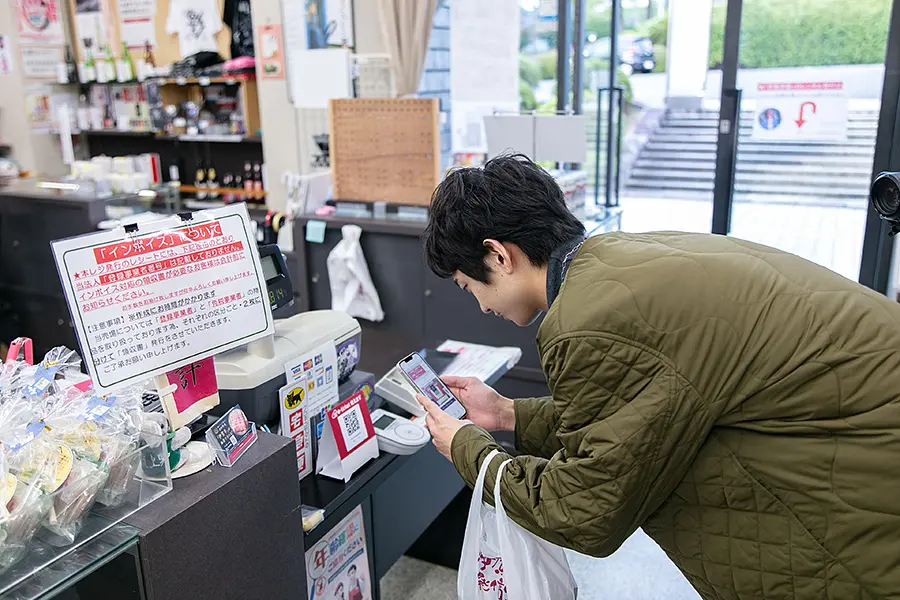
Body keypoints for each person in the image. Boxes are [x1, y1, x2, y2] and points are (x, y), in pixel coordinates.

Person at [417, 153, 900, 599]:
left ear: (499, 255)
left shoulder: (587, 319)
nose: (480, 306)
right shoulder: (623, 260)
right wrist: (504, 413)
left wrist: (468, 449)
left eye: (467, 286)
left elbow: (588, 510)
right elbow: (641, 411)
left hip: (861, 519)